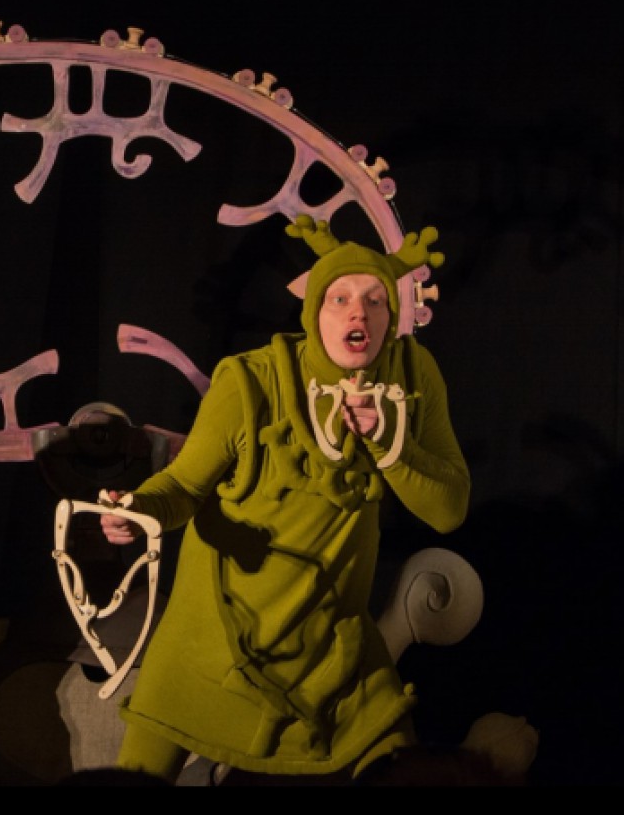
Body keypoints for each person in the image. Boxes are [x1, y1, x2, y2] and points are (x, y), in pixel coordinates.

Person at [99, 215, 470, 784]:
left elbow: (449, 510)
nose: (358, 313)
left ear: (392, 313)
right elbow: (184, 487)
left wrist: (390, 446)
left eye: (374, 300)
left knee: (406, 770)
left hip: (332, 649)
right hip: (215, 640)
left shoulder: (412, 377)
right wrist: (136, 512)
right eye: (340, 299)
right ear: (313, 310)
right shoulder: (251, 380)